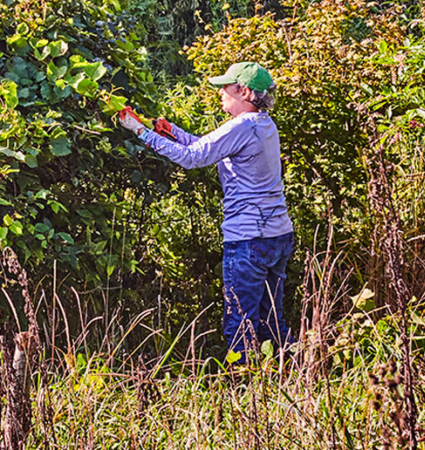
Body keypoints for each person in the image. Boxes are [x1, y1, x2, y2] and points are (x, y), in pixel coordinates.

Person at [118, 61, 294, 363]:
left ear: (245, 91)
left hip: (248, 239)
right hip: (277, 235)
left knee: (241, 323)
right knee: (271, 321)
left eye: (226, 86)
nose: (220, 92)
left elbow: (192, 158)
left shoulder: (242, 125)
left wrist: (140, 132)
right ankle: (293, 374)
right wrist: (172, 131)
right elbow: (207, 148)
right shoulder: (263, 124)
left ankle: (245, 391)